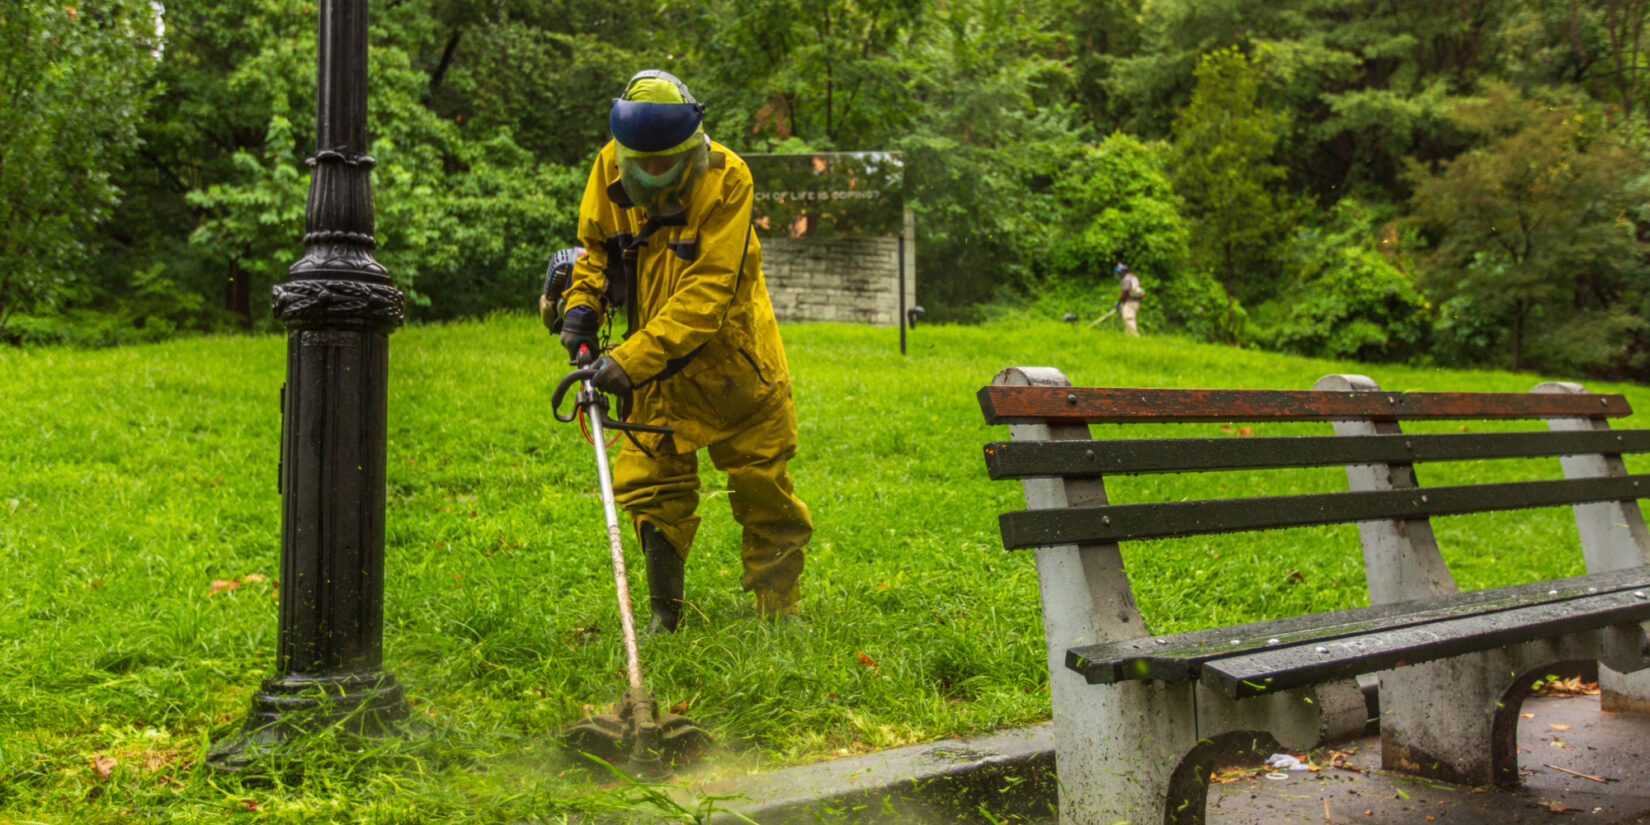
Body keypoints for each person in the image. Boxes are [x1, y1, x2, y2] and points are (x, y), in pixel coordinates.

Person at [543, 69, 813, 633]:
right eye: (645, 162)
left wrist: (629, 361)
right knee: (650, 486)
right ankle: (668, 615)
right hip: (652, 376)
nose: (656, 172)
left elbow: (708, 291)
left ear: (690, 145)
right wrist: (581, 306)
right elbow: (594, 248)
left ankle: (779, 610)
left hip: (736, 368)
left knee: (764, 487)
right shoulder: (608, 165)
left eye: (668, 161)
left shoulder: (728, 179)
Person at [1114, 263, 1144, 337]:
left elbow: (1124, 292)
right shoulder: (1133, 277)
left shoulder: (1126, 279)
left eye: (1119, 272)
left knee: (1128, 318)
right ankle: (1128, 337)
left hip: (1129, 302)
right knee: (1128, 319)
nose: (1118, 274)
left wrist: (1119, 303)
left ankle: (1135, 336)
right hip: (1136, 302)